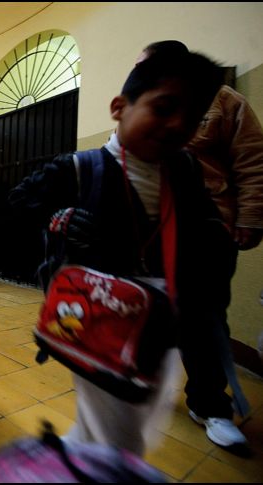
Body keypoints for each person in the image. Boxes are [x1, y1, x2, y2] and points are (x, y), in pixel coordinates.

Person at [8, 48, 227, 456]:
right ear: (119, 108)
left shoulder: (185, 170)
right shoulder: (79, 166)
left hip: (164, 315)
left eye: (192, 118)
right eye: (163, 108)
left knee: (138, 410)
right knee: (117, 425)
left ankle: (75, 456)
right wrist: (60, 218)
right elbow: (19, 202)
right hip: (100, 314)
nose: (177, 125)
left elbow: (206, 226)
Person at [139, 40, 263, 454]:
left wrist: (249, 218)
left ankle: (210, 406)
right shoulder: (142, 103)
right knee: (145, 305)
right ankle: (141, 383)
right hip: (151, 228)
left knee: (205, 319)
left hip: (208, 226)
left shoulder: (224, 101)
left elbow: (251, 159)